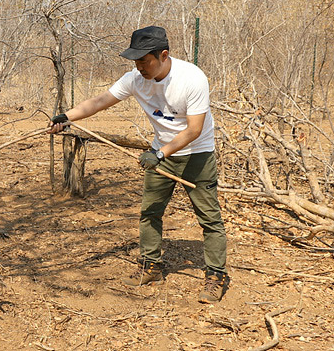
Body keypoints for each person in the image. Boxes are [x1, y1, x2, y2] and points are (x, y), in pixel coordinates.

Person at [48, 26, 228, 303]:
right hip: (161, 154)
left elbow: (194, 130)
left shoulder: (192, 79)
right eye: (135, 60)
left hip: (196, 155)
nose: (139, 66)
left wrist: (160, 154)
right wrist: (66, 117)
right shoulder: (135, 79)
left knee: (209, 219)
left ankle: (215, 276)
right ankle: (151, 266)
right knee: (150, 212)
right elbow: (100, 101)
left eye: (145, 60)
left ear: (163, 55)